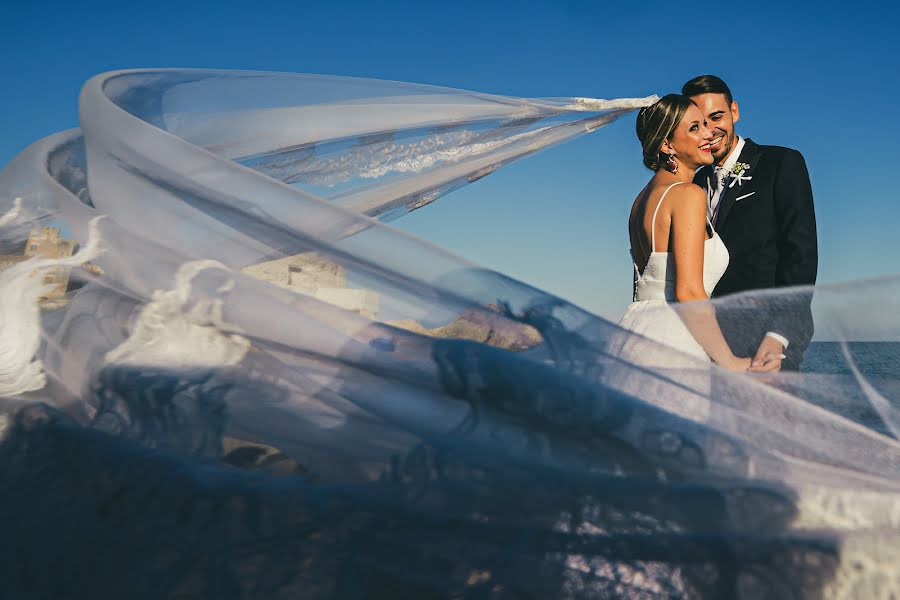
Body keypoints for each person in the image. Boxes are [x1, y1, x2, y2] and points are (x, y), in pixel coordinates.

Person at [682, 75, 817, 372]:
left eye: (716, 117)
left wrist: (778, 335)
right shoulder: (694, 182)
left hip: (765, 340)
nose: (709, 130)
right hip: (709, 343)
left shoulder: (781, 163)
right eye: (698, 123)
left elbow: (801, 254)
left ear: (735, 112)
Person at [616, 94, 751, 372]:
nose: (708, 133)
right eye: (694, 128)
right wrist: (730, 362)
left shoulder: (640, 201)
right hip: (674, 343)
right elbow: (688, 291)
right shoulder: (688, 194)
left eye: (705, 124)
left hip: (633, 334)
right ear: (667, 145)